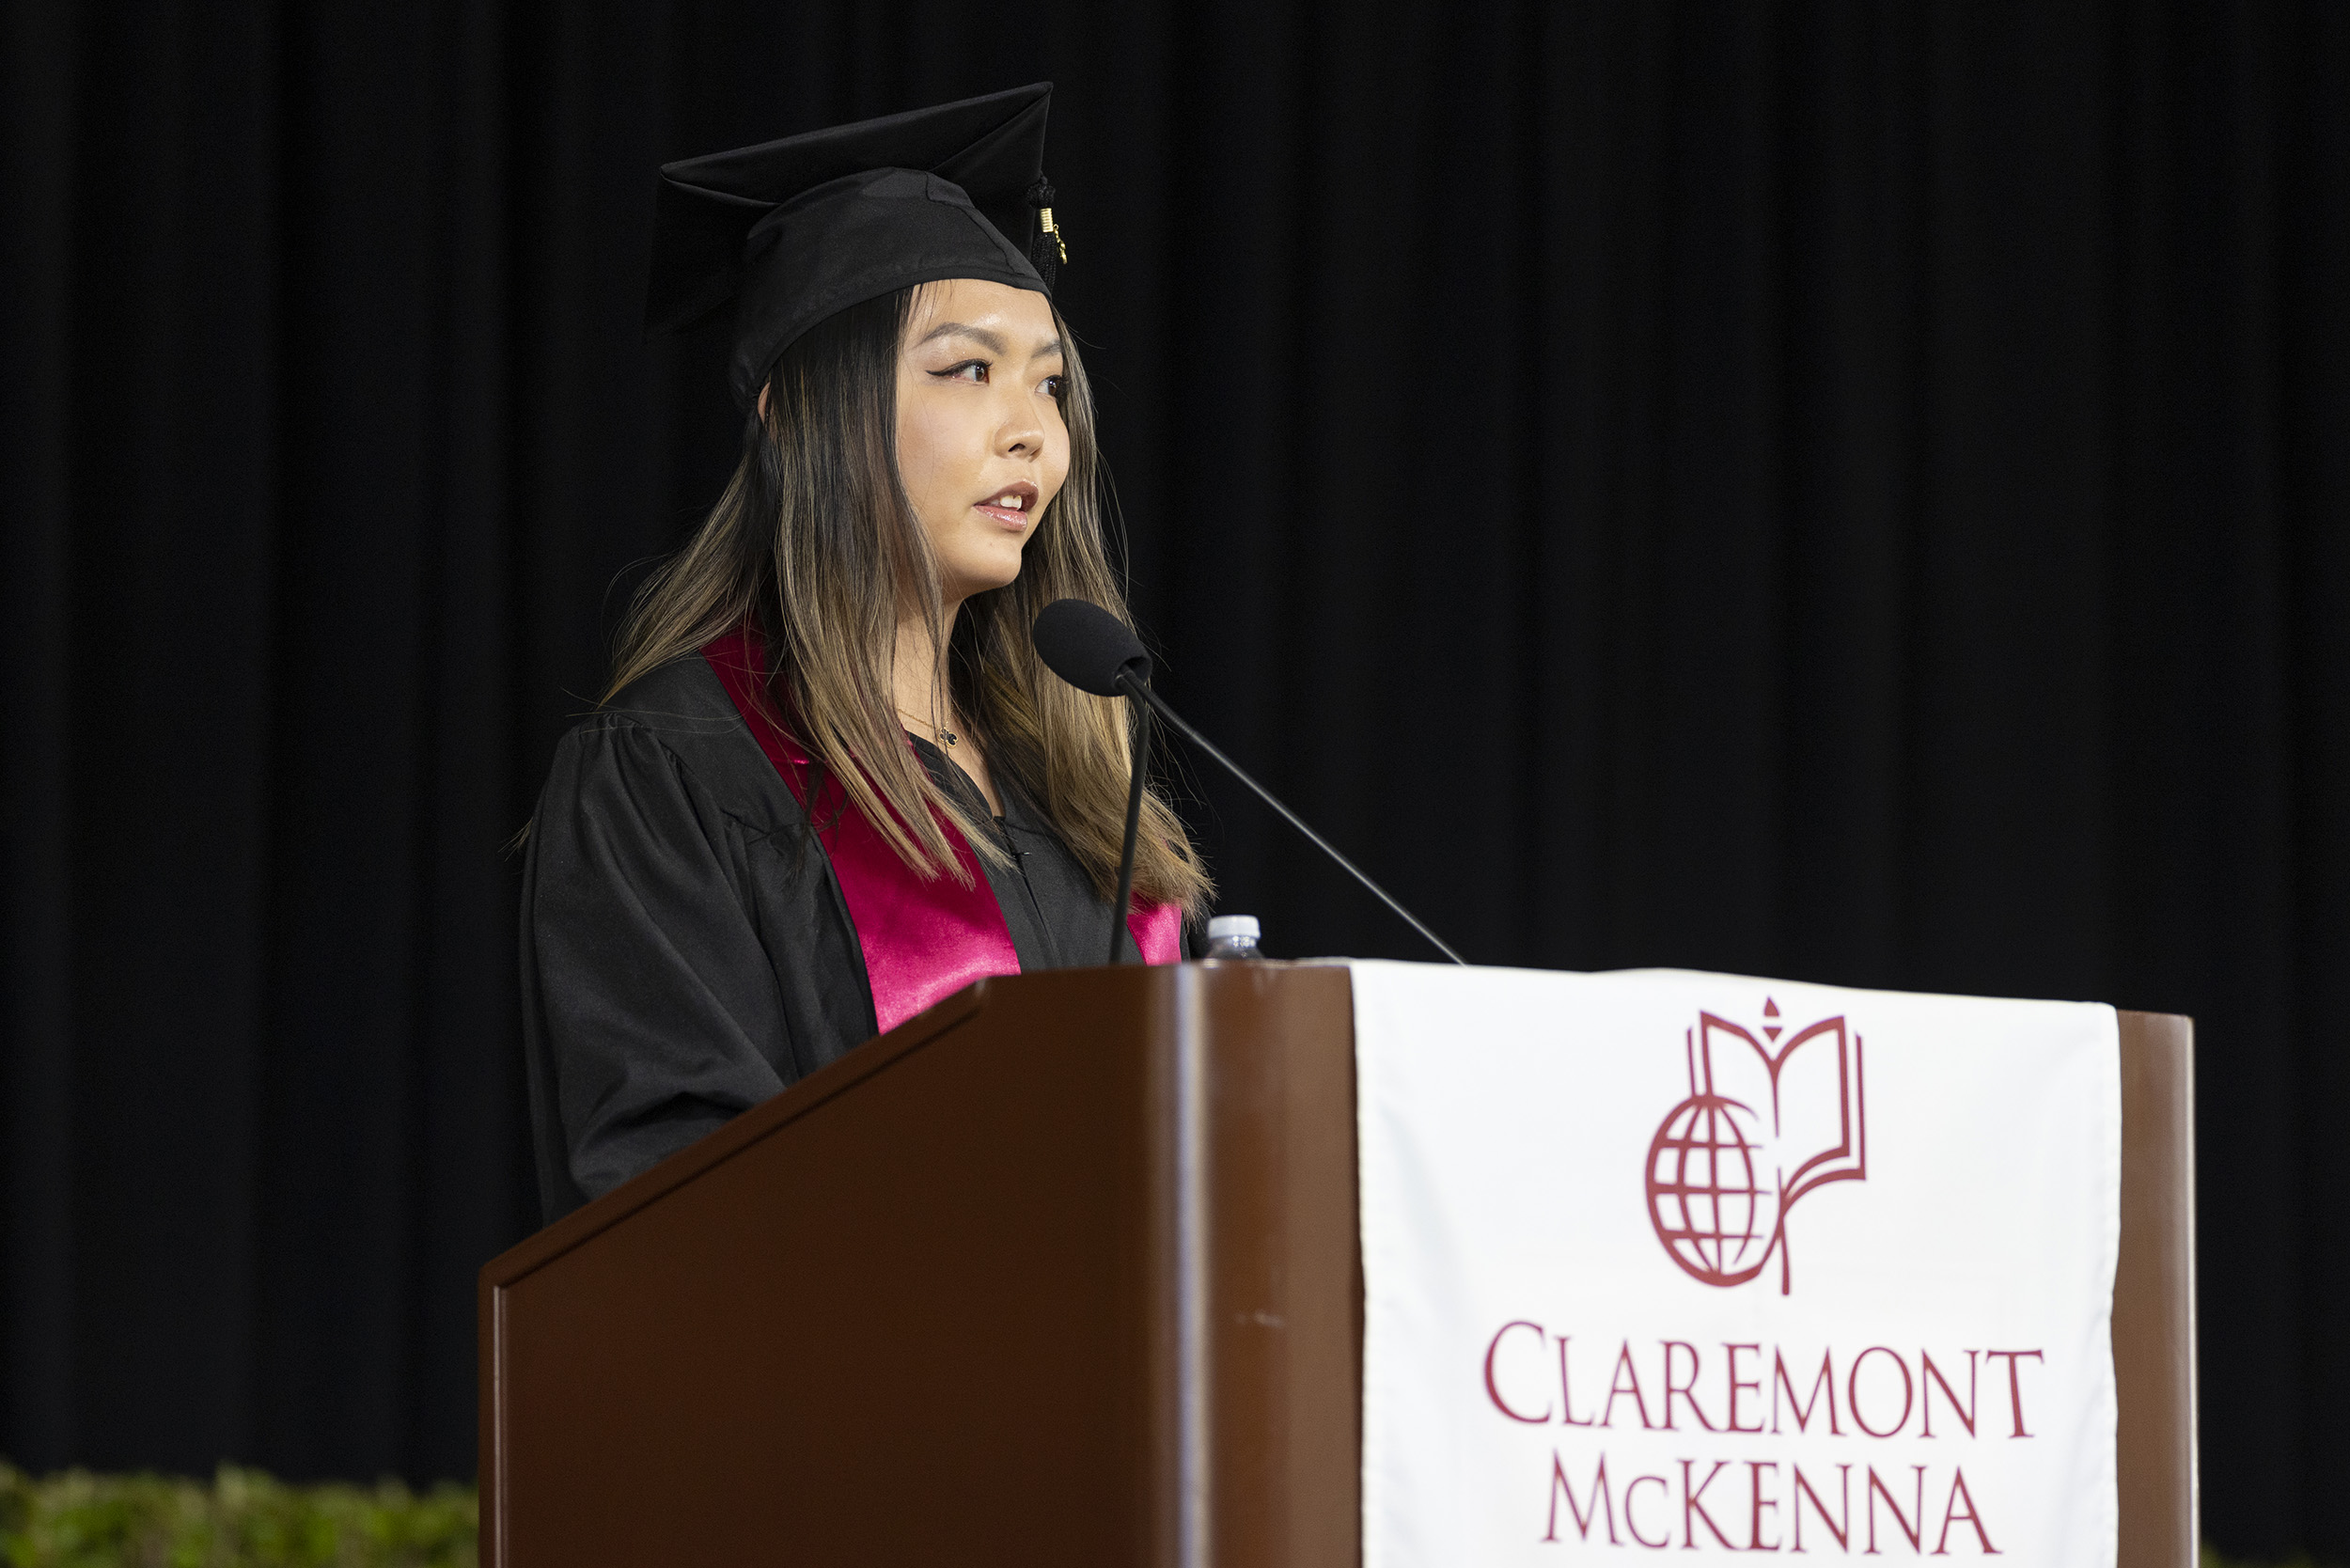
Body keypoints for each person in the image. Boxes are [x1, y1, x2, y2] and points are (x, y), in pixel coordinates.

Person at [520, 84, 1209, 1223]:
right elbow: (672, 1210)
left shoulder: (1073, 786)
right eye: (967, 369)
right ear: (795, 412)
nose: (1034, 427)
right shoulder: (678, 777)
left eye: (1048, 380)